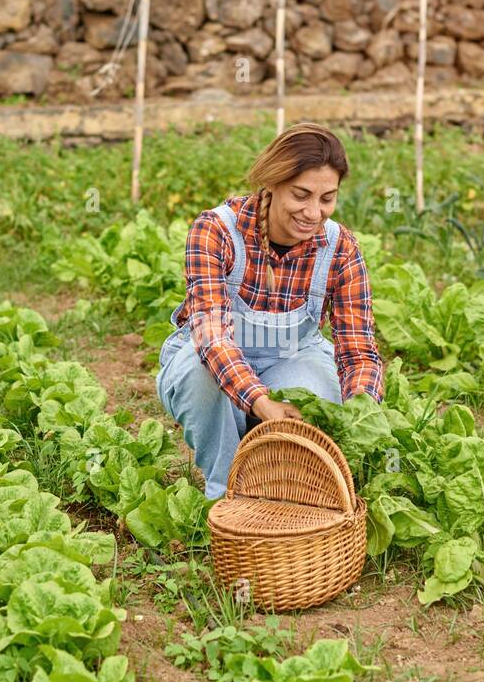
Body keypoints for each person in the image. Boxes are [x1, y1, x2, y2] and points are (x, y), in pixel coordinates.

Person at [155, 122, 385, 499]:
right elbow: (211, 338)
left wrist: (360, 410)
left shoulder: (340, 248)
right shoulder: (217, 231)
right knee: (202, 375)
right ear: (273, 182)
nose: (313, 212)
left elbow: (358, 350)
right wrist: (261, 402)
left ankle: (283, 488)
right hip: (213, 358)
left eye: (327, 198)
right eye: (301, 195)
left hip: (293, 358)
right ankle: (226, 494)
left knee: (315, 400)